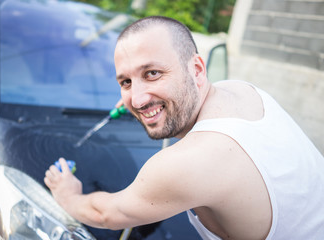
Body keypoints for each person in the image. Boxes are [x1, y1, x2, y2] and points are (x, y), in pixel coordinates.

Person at [44, 16, 324, 240]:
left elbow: (106, 215)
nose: (137, 98)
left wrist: (67, 195)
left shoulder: (188, 163)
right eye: (126, 82)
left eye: (152, 73)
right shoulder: (243, 91)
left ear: (198, 70)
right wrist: (150, 97)